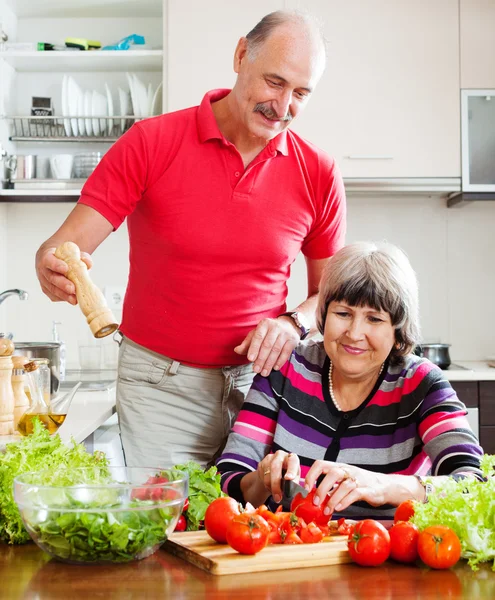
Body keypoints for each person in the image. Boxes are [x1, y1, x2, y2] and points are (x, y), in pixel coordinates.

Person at [34, 10, 346, 468]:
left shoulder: (318, 172)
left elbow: (331, 296)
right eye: (274, 82)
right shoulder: (150, 142)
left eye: (300, 93)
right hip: (160, 386)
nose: (282, 107)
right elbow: (64, 246)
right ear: (241, 55)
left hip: (263, 385)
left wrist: (292, 324)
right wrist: (50, 266)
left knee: (255, 526)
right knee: (166, 528)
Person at [217, 241, 483, 522]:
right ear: (323, 315)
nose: (355, 333)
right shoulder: (285, 368)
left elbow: (474, 486)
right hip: (289, 550)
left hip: (389, 559)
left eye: (375, 319)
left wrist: (384, 485)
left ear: (398, 330)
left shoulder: (422, 383)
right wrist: (262, 478)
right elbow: (228, 476)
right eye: (343, 313)